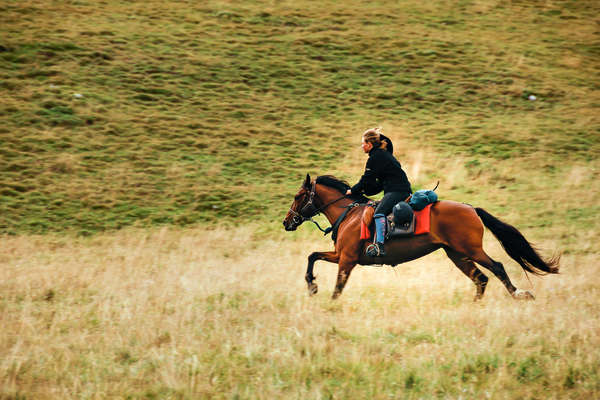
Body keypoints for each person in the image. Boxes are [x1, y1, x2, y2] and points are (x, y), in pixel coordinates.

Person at [345, 128, 412, 257]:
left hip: (397, 191)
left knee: (378, 213)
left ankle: (380, 246)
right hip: (399, 190)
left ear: (369, 145)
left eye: (363, 143)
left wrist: (352, 191)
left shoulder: (375, 158)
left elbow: (366, 180)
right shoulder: (382, 155)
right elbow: (378, 185)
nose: (362, 146)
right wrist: (364, 191)